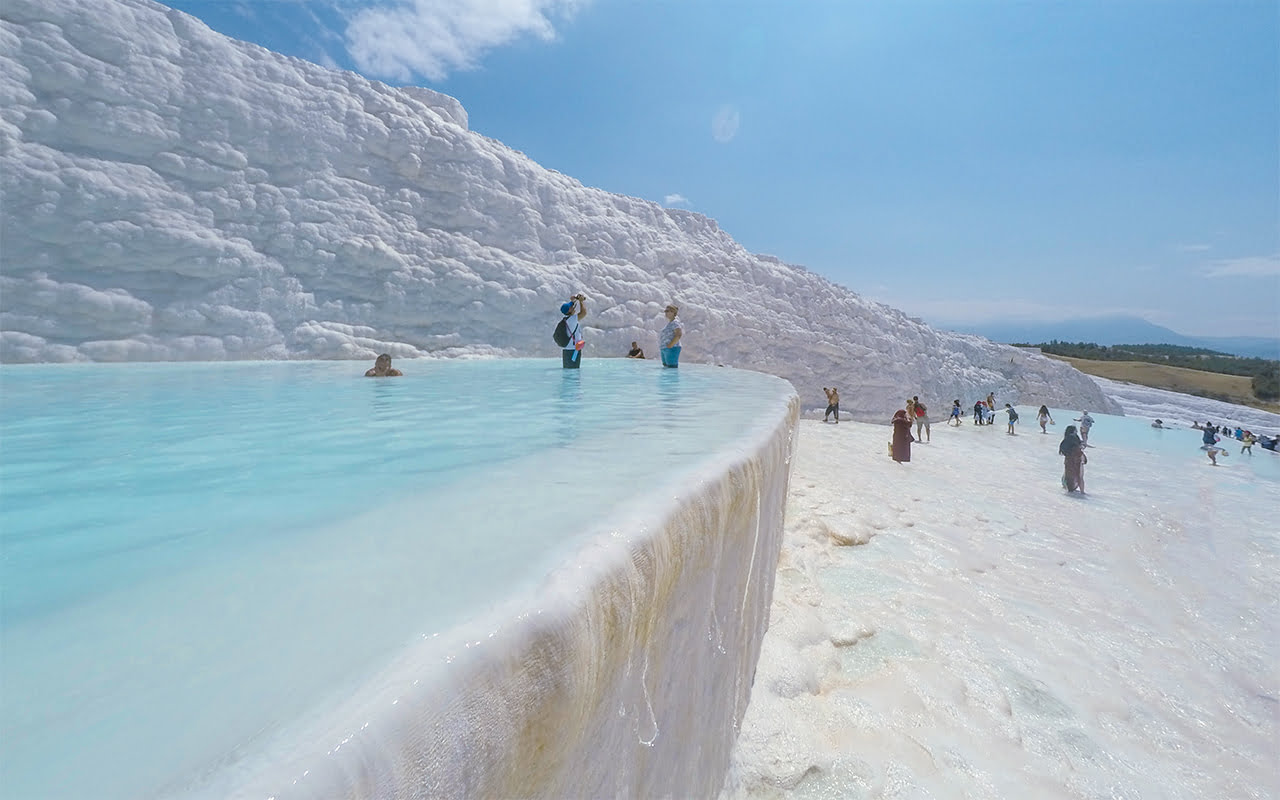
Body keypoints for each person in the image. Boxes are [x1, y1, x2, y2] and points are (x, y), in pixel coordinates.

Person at [560, 293, 587, 369]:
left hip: (567, 350)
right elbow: (583, 313)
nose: (573, 307)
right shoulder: (572, 319)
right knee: (573, 372)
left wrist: (574, 301)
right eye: (571, 306)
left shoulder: (567, 319)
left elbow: (570, 308)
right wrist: (581, 301)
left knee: (568, 373)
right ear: (569, 310)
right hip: (573, 351)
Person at [1059, 425, 1087, 493]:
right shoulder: (1074, 436)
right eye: (1076, 430)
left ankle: (1067, 487)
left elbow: (1062, 450)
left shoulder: (1066, 438)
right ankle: (1082, 492)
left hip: (1068, 458)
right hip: (1077, 457)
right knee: (1080, 476)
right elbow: (1080, 446)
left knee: (1068, 473)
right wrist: (1084, 435)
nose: (1077, 431)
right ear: (1073, 431)